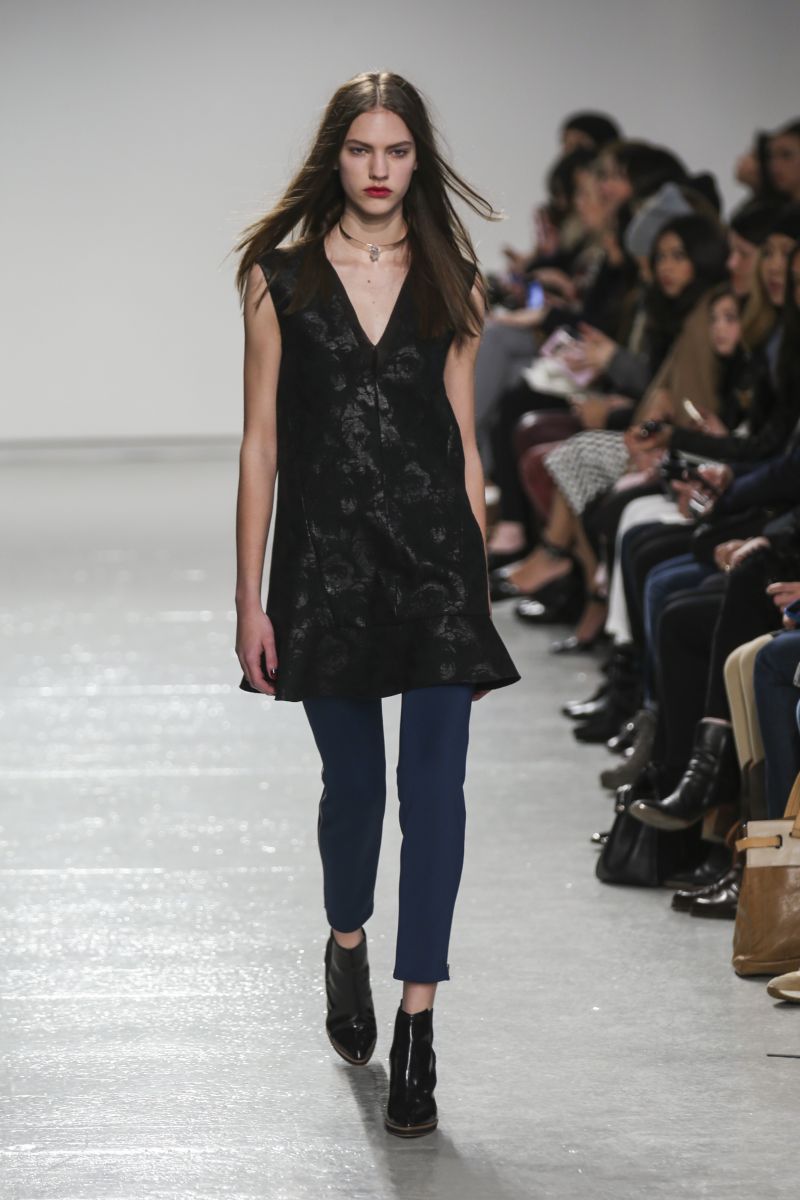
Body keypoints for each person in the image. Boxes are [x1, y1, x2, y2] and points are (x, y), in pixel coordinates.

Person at [231, 71, 521, 1139]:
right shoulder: (277, 278)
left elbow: (464, 447)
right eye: (361, 149)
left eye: (397, 150)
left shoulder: (454, 282)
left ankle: (417, 1026)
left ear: (417, 160)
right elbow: (261, 443)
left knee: (433, 794)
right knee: (353, 792)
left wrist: (477, 597)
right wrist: (248, 599)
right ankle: (345, 940)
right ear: (336, 156)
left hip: (434, 567)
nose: (379, 168)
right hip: (326, 570)